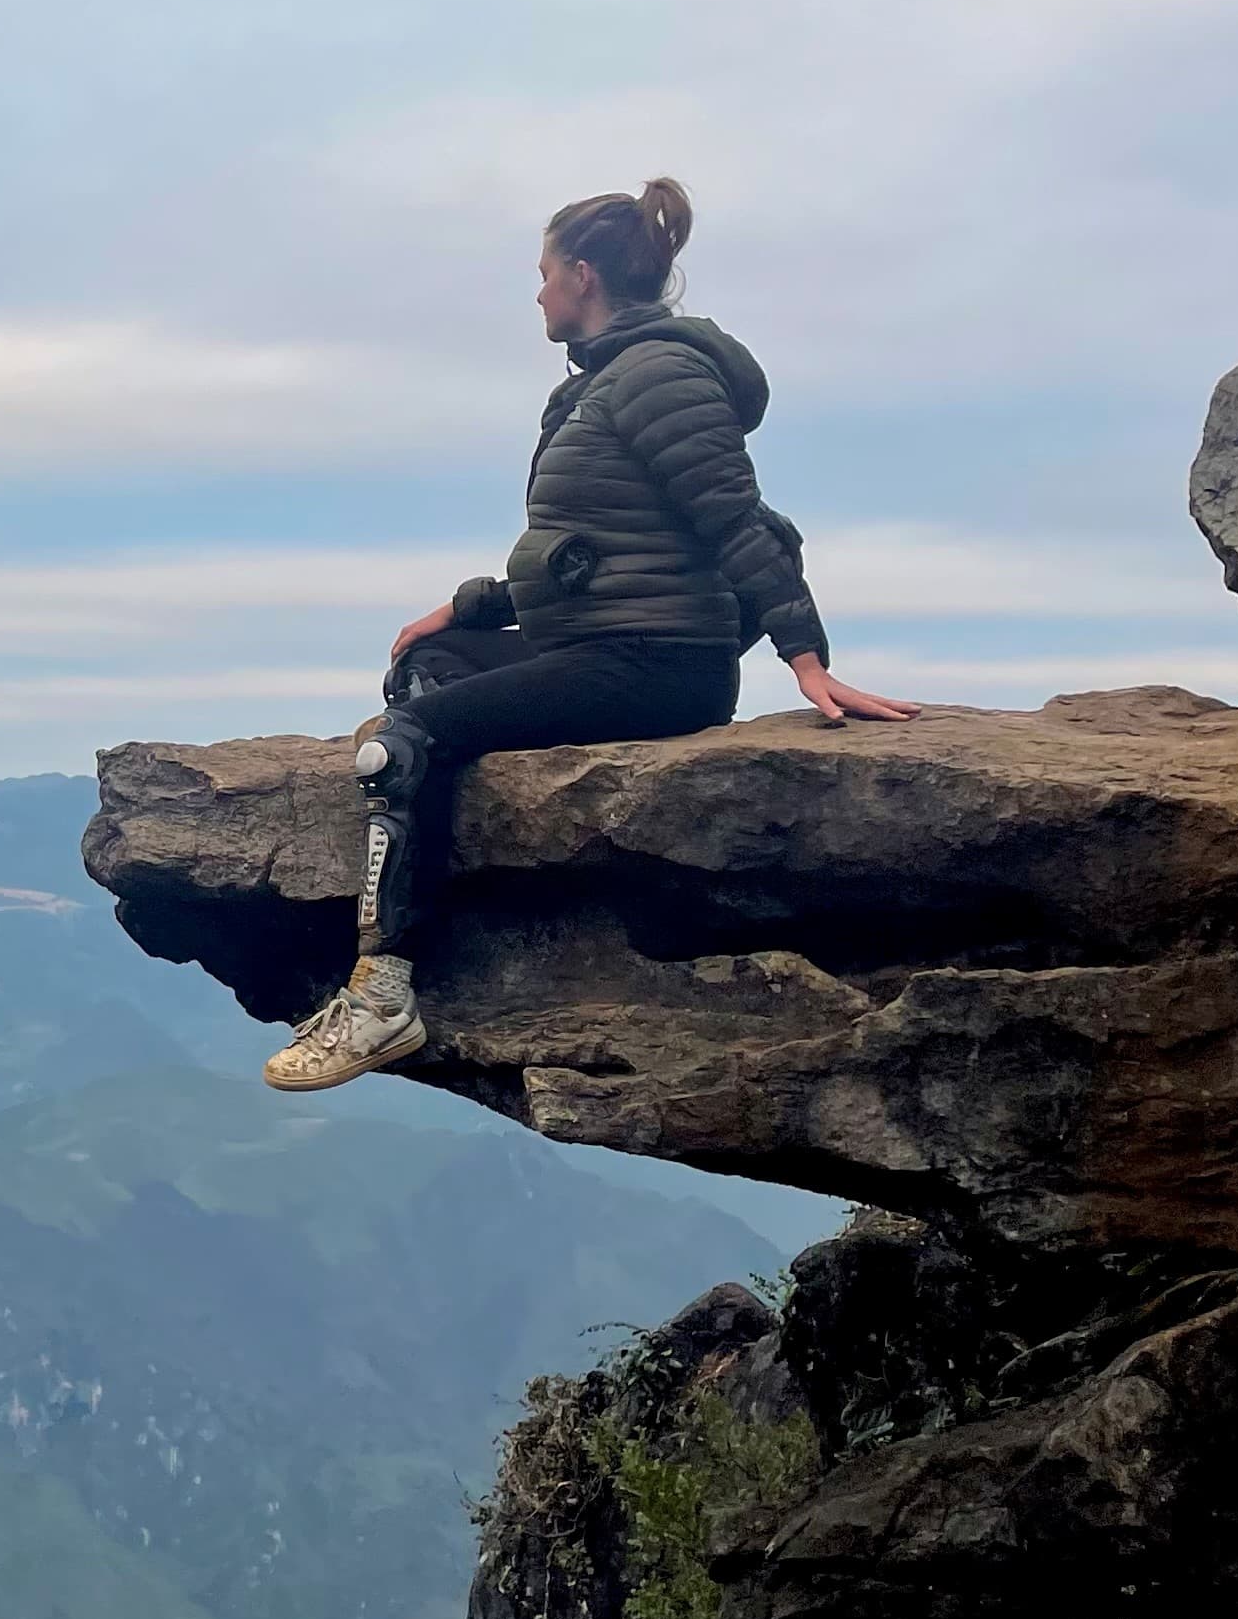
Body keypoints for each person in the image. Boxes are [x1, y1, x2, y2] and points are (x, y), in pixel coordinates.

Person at [264, 177, 919, 1096]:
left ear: (582, 275)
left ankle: (384, 996)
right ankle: (449, 883)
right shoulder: (602, 384)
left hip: (654, 665)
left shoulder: (660, 376)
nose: (536, 294)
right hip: (603, 644)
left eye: (543, 274)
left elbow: (736, 520)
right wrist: (469, 608)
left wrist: (806, 659)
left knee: (400, 744)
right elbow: (590, 558)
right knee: (428, 667)